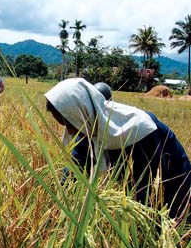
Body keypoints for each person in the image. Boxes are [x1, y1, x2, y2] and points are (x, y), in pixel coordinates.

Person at [45, 78, 191, 219]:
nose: (70, 132)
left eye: (70, 124)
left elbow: (150, 189)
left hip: (174, 186)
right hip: (140, 191)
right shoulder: (88, 128)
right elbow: (74, 171)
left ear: (82, 112)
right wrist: (57, 207)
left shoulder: (137, 129)